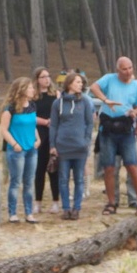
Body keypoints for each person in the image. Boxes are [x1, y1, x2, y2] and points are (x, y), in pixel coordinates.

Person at [89, 56, 137, 216]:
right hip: (108, 129)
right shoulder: (109, 79)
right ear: (117, 70)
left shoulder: (135, 86)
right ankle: (111, 203)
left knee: (132, 166)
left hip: (126, 130)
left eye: (130, 68)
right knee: (109, 168)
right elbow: (93, 87)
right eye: (124, 69)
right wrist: (106, 100)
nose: (128, 72)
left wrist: (134, 112)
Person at [50, 72, 94, 220]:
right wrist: (52, 145)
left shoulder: (85, 101)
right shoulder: (58, 103)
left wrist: (86, 141)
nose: (81, 85)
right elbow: (54, 125)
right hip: (63, 145)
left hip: (80, 146)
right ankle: (66, 208)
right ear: (69, 84)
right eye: (77, 82)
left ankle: (76, 208)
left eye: (81, 82)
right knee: (63, 178)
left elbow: (89, 123)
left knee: (79, 179)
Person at [0, 77, 41, 224]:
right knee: (16, 182)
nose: (33, 90)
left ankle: (29, 213)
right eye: (30, 87)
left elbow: (33, 125)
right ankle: (13, 213)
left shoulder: (32, 106)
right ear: (22, 89)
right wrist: (14, 144)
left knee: (29, 182)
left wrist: (38, 139)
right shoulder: (10, 108)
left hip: (31, 149)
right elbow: (4, 130)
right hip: (17, 150)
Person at [32, 67, 60, 215]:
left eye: (48, 76)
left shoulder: (56, 95)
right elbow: (29, 115)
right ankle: (38, 202)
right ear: (37, 79)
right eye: (43, 77)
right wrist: (44, 121)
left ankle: (56, 201)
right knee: (39, 170)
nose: (46, 79)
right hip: (38, 134)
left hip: (53, 134)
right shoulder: (33, 96)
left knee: (54, 169)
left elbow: (61, 113)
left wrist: (52, 122)